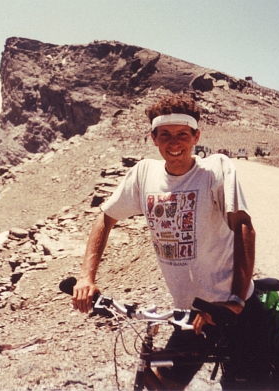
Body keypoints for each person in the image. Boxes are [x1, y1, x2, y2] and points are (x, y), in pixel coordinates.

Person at [72, 93, 268, 388]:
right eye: (165, 135)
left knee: (245, 385)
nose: (174, 143)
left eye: (182, 135)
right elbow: (106, 217)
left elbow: (244, 228)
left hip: (231, 311)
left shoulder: (216, 170)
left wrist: (236, 301)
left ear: (196, 137)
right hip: (191, 314)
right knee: (161, 383)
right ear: (153, 138)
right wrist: (86, 277)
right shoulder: (143, 174)